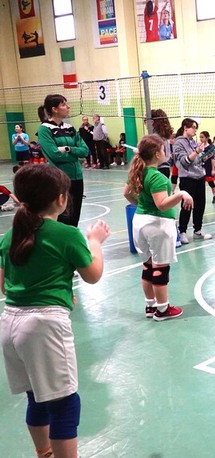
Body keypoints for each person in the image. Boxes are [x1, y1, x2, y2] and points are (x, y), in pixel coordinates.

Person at [0, 164, 110, 458]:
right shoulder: (66, 234)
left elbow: (6, 287)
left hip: (10, 323)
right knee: (64, 404)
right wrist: (95, 242)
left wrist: (58, 293)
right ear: (61, 199)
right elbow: (93, 274)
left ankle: (44, 453)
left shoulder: (10, 236)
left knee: (36, 397)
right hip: (43, 327)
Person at [123, 134, 193, 320]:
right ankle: (163, 309)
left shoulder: (137, 172)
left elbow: (127, 193)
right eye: (163, 149)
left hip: (139, 222)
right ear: (156, 154)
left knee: (148, 266)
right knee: (160, 267)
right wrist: (181, 194)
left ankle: (151, 305)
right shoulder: (157, 177)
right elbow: (162, 204)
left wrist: (141, 206)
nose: (165, 152)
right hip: (157, 225)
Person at [37, 94, 89, 227]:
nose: (68, 107)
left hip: (77, 178)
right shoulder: (44, 129)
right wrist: (75, 154)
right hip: (59, 180)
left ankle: (72, 239)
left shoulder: (70, 128)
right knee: (63, 217)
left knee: (75, 217)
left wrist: (68, 149)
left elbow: (85, 151)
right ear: (54, 109)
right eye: (64, 104)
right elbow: (55, 155)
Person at [173, 118, 212, 243]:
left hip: (199, 177)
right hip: (187, 178)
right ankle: (182, 231)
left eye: (196, 128)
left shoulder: (194, 142)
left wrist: (205, 156)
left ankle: (198, 230)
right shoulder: (178, 143)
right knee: (187, 205)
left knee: (200, 205)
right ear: (185, 128)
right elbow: (185, 162)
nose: (195, 130)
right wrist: (196, 152)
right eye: (193, 127)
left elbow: (197, 160)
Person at [150, 109, 173, 179]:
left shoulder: (155, 137)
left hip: (158, 168)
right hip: (165, 168)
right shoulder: (163, 135)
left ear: (152, 122)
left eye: (145, 121)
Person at [199, 131, 215, 205]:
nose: (201, 139)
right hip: (200, 168)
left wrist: (213, 169)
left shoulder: (210, 148)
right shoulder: (199, 147)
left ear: (207, 138)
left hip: (208, 167)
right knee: (200, 183)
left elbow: (213, 159)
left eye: (202, 137)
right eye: (200, 137)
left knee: (211, 183)